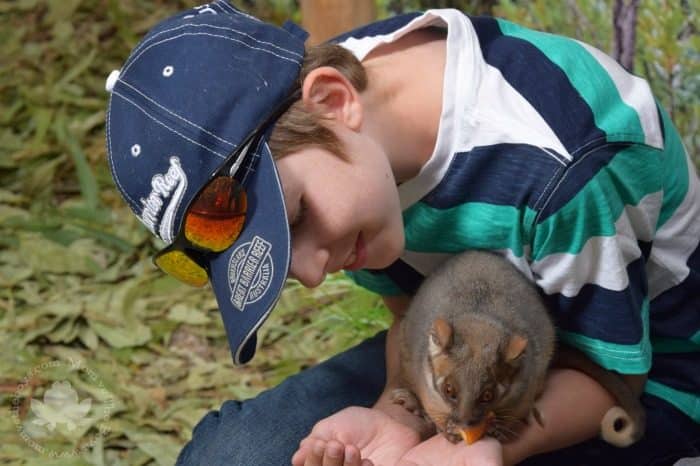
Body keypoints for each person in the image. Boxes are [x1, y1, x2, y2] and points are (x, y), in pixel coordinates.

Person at [104, 1, 700, 465]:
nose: (311, 274)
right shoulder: (350, 156)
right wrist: (398, 412)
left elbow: (614, 376)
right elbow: (414, 313)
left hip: (634, 374)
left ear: (333, 100)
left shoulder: (562, 166)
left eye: (294, 223)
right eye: (283, 262)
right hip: (470, 359)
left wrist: (487, 446)